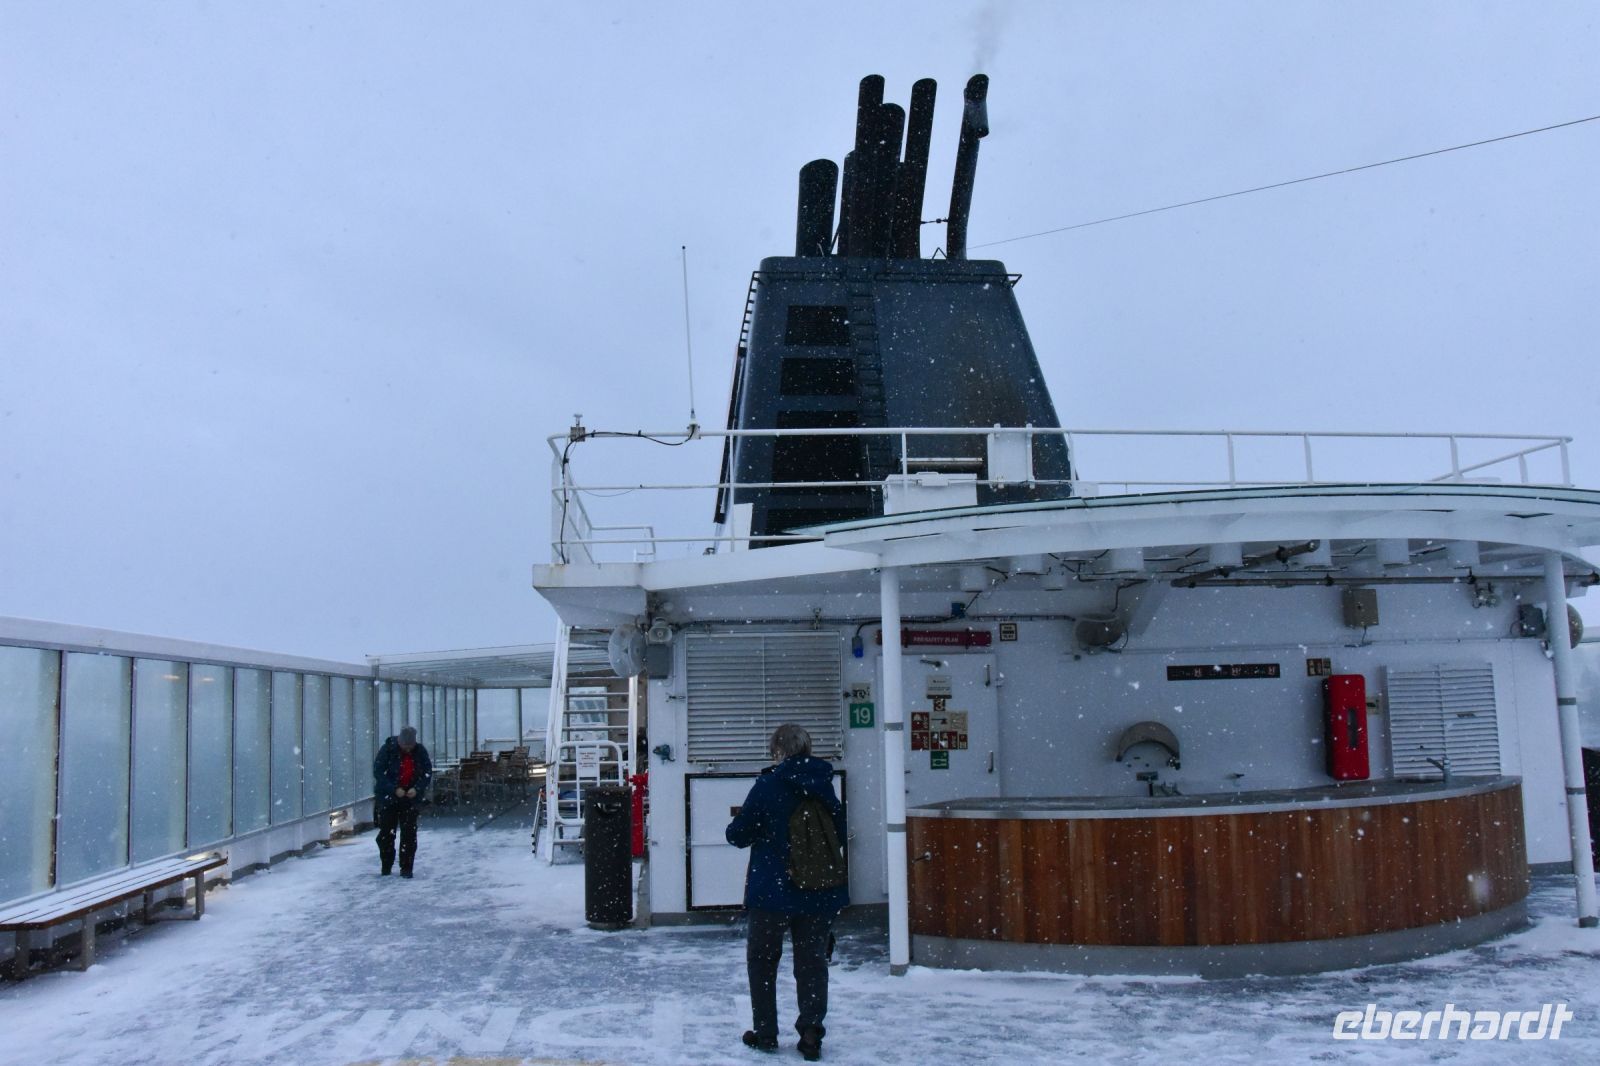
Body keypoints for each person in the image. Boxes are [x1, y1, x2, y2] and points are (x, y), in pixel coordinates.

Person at [726, 723, 848, 1060]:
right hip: (818, 892)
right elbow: (839, 827)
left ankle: (765, 1032)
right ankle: (810, 1033)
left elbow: (739, 834)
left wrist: (739, 827)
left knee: (763, 962)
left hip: (772, 892)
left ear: (777, 751)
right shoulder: (824, 783)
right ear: (807, 748)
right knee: (812, 964)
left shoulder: (768, 784)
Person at [372, 725, 432, 878]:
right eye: (405, 746)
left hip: (410, 799)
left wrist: (416, 788)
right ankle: (386, 864)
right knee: (386, 833)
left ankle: (406, 868)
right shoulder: (388, 750)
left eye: (410, 746)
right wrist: (393, 789)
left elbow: (427, 772)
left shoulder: (420, 752)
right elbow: (378, 771)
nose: (407, 749)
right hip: (389, 798)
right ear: (399, 741)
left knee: (409, 833)